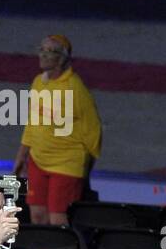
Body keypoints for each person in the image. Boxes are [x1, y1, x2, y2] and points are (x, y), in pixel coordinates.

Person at [11, 35, 103, 227]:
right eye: (42, 49)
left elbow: (93, 131)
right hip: (38, 160)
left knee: (58, 220)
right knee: (37, 217)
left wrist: (85, 169)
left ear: (62, 58)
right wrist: (22, 155)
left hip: (66, 163)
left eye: (50, 51)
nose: (43, 55)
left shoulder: (75, 89)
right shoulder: (38, 82)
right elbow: (33, 122)